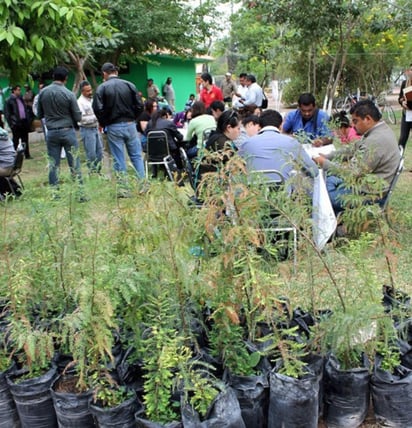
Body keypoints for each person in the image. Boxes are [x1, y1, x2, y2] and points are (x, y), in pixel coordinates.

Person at [313, 100, 400, 215]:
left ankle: (336, 219)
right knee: (328, 180)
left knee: (321, 196)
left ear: (368, 119)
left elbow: (352, 173)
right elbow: (352, 149)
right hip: (366, 186)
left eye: (355, 121)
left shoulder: (375, 141)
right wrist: (328, 156)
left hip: (369, 195)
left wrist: (324, 163)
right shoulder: (379, 130)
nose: (352, 126)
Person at [92, 62, 145, 196]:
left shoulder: (102, 88)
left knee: (118, 158)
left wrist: (105, 123)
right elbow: (140, 105)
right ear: (116, 71)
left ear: (104, 73)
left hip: (114, 126)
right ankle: (143, 185)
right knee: (136, 156)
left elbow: (98, 108)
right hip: (130, 124)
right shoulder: (129, 85)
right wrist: (133, 118)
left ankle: (124, 189)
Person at [37, 66, 86, 199]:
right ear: (66, 79)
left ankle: (55, 194)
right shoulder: (69, 94)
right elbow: (77, 117)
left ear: (53, 77)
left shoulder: (43, 93)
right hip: (67, 131)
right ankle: (80, 194)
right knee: (74, 163)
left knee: (53, 164)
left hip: (51, 132)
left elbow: (39, 113)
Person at [239, 109, 318, 183]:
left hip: (254, 193)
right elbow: (314, 171)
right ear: (281, 125)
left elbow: (235, 170)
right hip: (283, 193)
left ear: (259, 126)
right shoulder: (291, 142)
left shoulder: (247, 143)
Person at [145, 108, 184, 178]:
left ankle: (155, 173)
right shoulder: (168, 123)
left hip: (152, 152)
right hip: (168, 152)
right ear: (164, 116)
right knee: (177, 147)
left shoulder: (149, 123)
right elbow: (180, 137)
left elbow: (146, 134)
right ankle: (179, 169)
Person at [77, 80, 103, 174]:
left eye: (90, 90)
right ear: (82, 91)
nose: (90, 92)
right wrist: (96, 117)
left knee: (100, 152)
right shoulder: (80, 102)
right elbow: (81, 119)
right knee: (91, 154)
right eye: (87, 91)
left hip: (95, 128)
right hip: (87, 129)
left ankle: (98, 171)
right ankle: (92, 172)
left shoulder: (92, 99)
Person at [4, 85, 32, 159]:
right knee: (15, 140)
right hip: (16, 123)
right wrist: (12, 124)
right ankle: (12, 155)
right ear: (14, 91)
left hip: (24, 122)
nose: (19, 91)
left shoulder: (21, 99)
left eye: (20, 90)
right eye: (18, 90)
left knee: (25, 139)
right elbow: (7, 114)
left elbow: (24, 109)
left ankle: (27, 154)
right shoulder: (9, 100)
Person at [398, 63, 412, 150]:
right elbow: (400, 98)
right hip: (406, 115)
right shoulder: (405, 83)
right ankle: (398, 159)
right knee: (402, 138)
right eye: (411, 70)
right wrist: (402, 102)